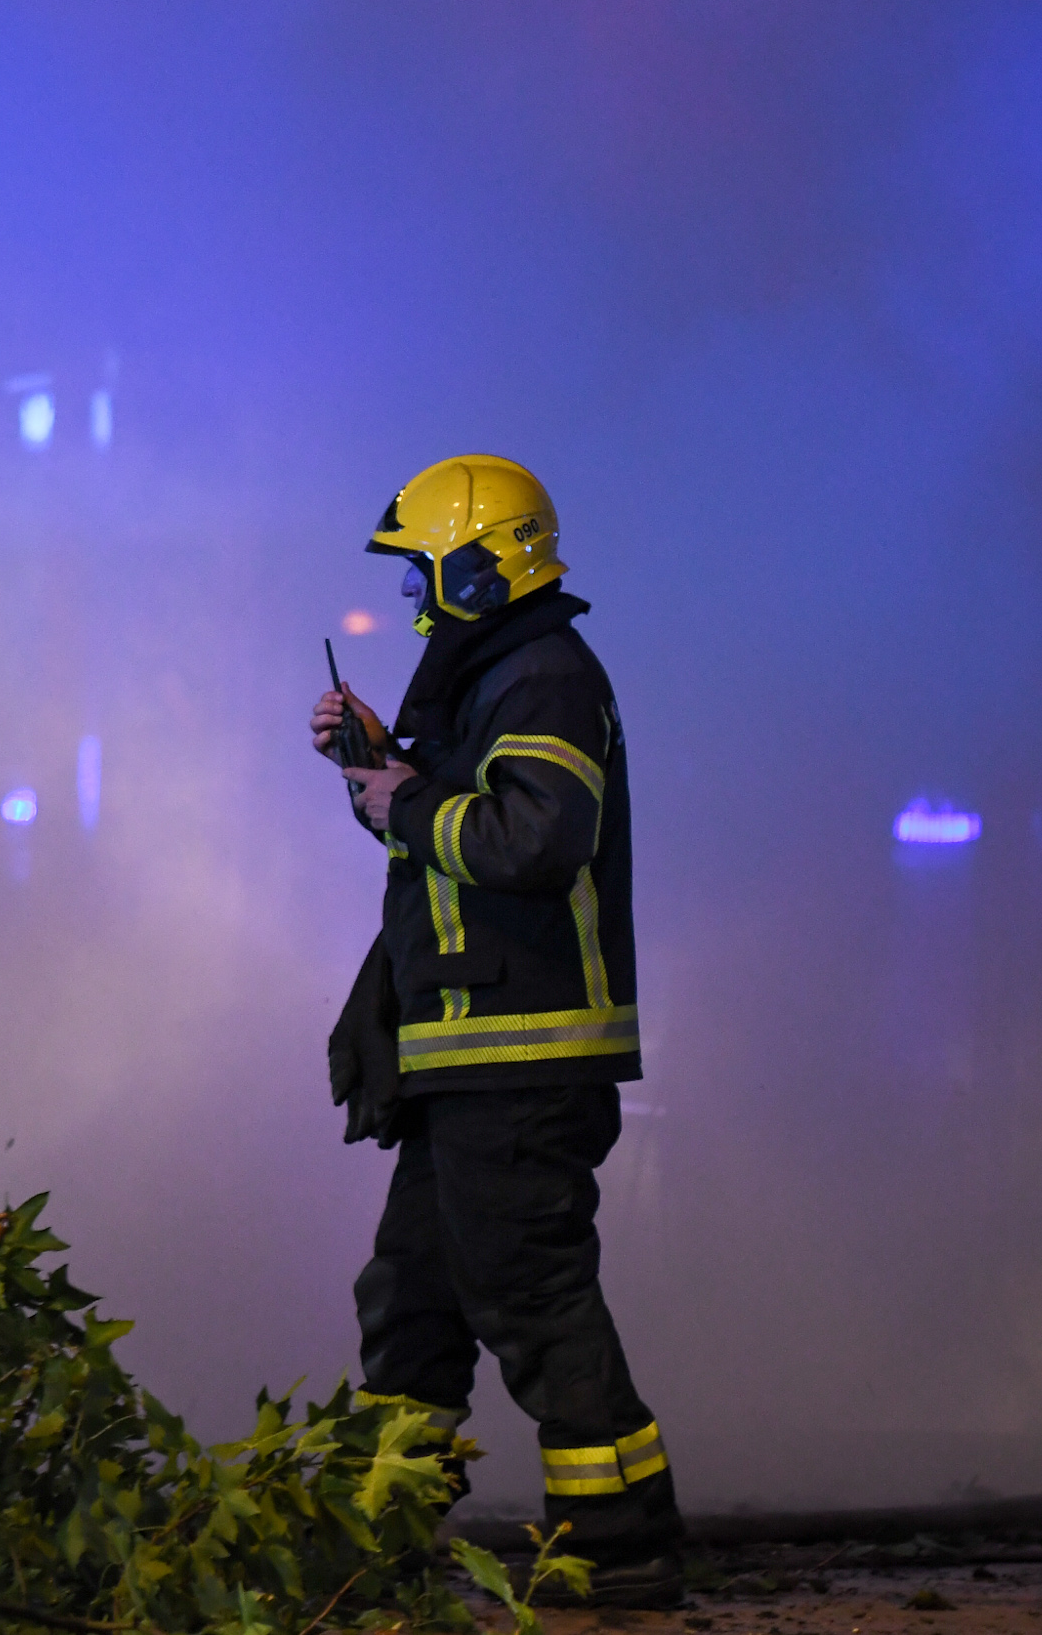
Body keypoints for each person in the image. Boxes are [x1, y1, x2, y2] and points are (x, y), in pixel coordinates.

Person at [311, 453, 684, 1609]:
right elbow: (455, 843)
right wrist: (382, 768)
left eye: (426, 574)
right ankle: (374, 1539)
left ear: (481, 566)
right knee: (412, 1298)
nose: (419, 601)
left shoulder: (545, 678)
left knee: (530, 1297)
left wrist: (406, 801)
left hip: (518, 1060)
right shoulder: (501, 678)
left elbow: (533, 842)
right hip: (468, 1062)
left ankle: (619, 1548)